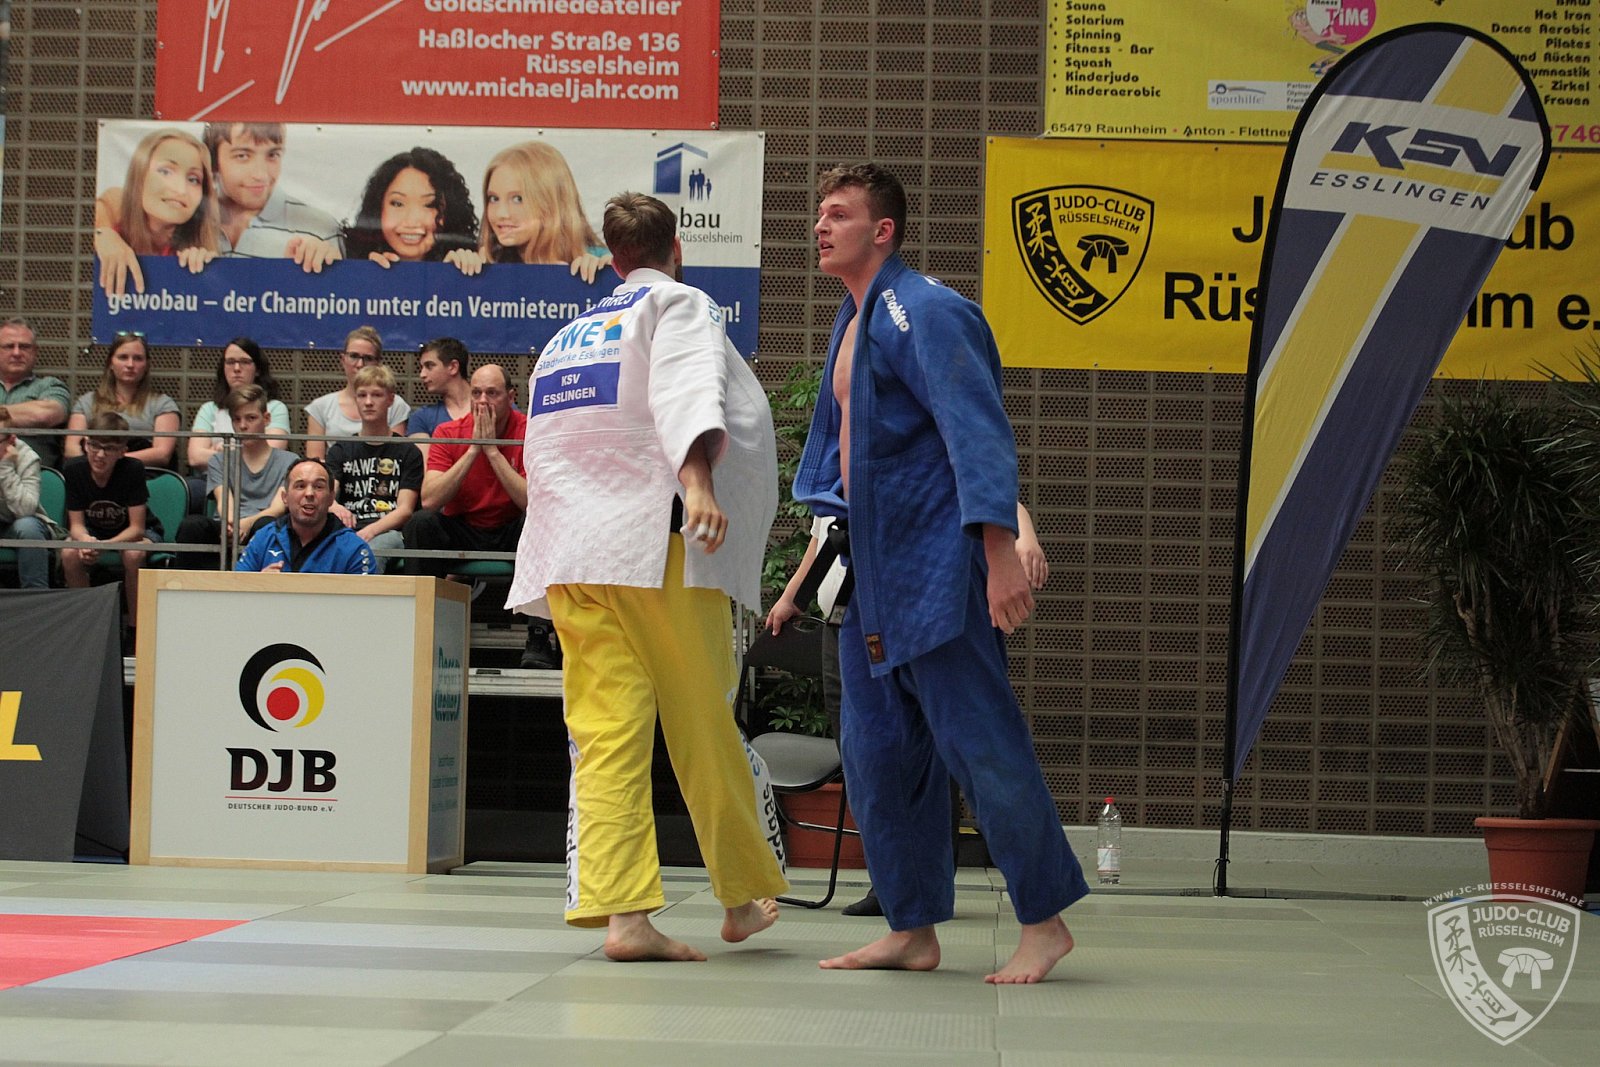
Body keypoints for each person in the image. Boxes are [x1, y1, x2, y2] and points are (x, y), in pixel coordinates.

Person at [795, 164, 1088, 983]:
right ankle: (911, 924)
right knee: (877, 753)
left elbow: (976, 431)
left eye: (839, 214)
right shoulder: (854, 319)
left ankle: (1043, 921)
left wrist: (998, 552)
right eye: (819, 213)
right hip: (873, 569)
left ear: (882, 230)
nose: (821, 226)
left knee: (981, 742)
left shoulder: (926, 308)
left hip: (936, 563)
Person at [507, 191, 785, 960]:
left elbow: (546, 448)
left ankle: (624, 915)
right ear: (677, 251)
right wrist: (697, 483)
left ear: (612, 258)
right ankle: (740, 896)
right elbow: (684, 389)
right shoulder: (677, 304)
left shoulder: (568, 337)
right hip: (653, 547)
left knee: (605, 735)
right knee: (703, 719)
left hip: (572, 553)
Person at [765, 503, 1050, 918]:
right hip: (840, 625)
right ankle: (891, 882)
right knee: (862, 759)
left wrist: (1023, 539)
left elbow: (991, 488)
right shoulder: (837, 473)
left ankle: (925, 883)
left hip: (899, 618)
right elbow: (819, 541)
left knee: (919, 755)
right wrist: (794, 596)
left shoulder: (904, 464)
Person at [94, 122, 341, 296]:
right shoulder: (192, 218)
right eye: (242, 156)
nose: (261, 174)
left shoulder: (320, 227)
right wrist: (104, 234)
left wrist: (320, 267)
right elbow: (115, 200)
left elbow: (333, 308)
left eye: (273, 155)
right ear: (214, 164)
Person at [174, 384, 298, 569]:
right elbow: (224, 503)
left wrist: (247, 523)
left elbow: (278, 508)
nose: (243, 426)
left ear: (266, 419)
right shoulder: (219, 460)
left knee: (267, 525)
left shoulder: (289, 461)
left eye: (251, 418)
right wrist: (232, 524)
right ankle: (184, 585)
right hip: (229, 527)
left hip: (262, 525)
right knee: (192, 525)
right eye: (236, 419)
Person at [92, 127, 220, 291]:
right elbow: (106, 205)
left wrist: (207, 271)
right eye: (165, 171)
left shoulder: (202, 242)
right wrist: (104, 235)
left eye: (193, 179)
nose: (180, 189)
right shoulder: (114, 210)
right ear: (139, 175)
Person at [60, 413, 160, 620]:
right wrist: (86, 541)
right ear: (85, 444)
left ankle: (136, 627)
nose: (100, 454)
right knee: (69, 552)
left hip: (135, 533)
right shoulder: (74, 469)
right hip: (94, 532)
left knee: (133, 554)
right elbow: (76, 525)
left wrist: (103, 545)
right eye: (94, 445)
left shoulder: (133, 469)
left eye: (109, 448)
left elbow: (137, 529)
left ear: (122, 451)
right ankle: (86, 621)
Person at [326, 365, 422, 571]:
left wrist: (371, 530)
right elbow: (327, 494)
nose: (368, 402)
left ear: (390, 399)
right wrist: (333, 505)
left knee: (369, 552)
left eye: (376, 395)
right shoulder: (340, 450)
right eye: (362, 395)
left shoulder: (408, 451)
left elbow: (405, 510)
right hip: (346, 528)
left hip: (389, 531)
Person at [478, 141, 611, 282]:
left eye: (517, 199)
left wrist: (610, 275)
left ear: (550, 202)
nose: (501, 214)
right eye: (494, 198)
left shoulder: (601, 262)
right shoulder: (488, 262)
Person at [342, 147, 483, 275]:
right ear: (378, 208)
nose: (411, 221)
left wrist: (461, 278)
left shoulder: (471, 263)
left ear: (450, 213)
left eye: (430, 205)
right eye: (397, 204)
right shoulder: (347, 261)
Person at [236, 458, 376, 574]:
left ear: (331, 498)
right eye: (300, 486)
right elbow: (237, 589)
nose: (309, 493)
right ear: (285, 497)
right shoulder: (264, 538)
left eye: (318, 486)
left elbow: (364, 598)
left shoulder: (354, 549)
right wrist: (260, 583)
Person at [64, 331, 181, 470]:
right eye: (123, 357)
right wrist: (102, 463)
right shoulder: (87, 402)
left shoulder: (163, 404)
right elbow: (71, 449)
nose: (130, 364)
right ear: (110, 363)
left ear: (146, 365)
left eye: (138, 358)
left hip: (143, 475)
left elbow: (162, 454)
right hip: (94, 475)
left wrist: (112, 459)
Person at [303, 326, 410, 459]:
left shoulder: (395, 404)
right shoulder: (320, 407)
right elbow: (315, 462)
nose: (360, 364)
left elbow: (396, 455)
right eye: (354, 356)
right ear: (343, 359)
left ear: (378, 363)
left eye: (368, 358)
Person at [0, 317, 69, 469]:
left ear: (35, 351)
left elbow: (45, 415)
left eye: (24, 347)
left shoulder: (50, 386)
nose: (17, 353)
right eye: (9, 346)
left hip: (36, 477)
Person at [0, 418, 61, 588]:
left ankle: (36, 596)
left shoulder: (27, 457)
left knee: (27, 527)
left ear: (11, 440)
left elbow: (25, 509)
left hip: (17, 522)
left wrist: (5, 468)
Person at [409, 336, 473, 457]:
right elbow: (427, 467)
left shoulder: (494, 408)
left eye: (429, 366)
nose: (422, 374)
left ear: (453, 367)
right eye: (421, 368)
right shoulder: (421, 418)